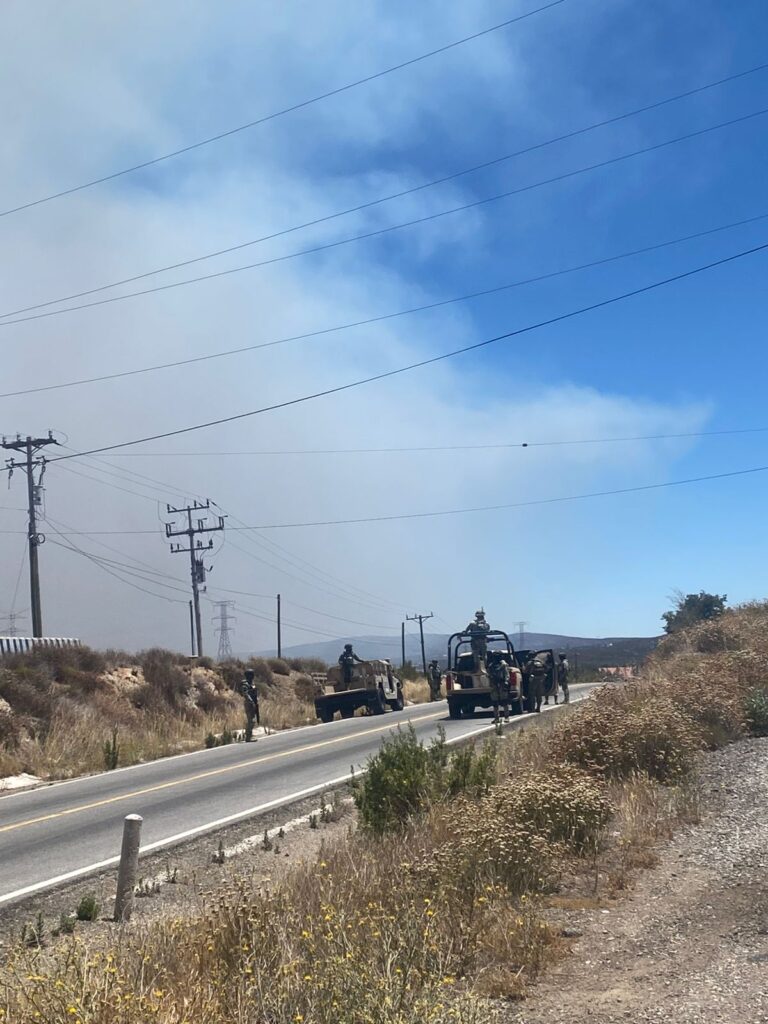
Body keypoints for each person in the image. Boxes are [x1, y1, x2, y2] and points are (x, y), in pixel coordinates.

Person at [488, 650, 512, 724]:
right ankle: (496, 718)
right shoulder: (491, 665)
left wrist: (506, 682)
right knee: (495, 702)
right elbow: (489, 675)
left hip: (502, 683)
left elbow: (507, 674)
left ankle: (506, 717)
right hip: (494, 684)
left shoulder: (504, 665)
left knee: (504, 701)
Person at [241, 668, 260, 742]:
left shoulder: (251, 683)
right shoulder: (245, 684)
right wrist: (251, 701)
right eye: (252, 675)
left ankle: (250, 735)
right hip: (249, 704)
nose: (253, 676)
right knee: (251, 720)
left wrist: (256, 700)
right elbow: (245, 693)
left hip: (253, 703)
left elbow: (254, 692)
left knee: (252, 720)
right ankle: (248, 737)